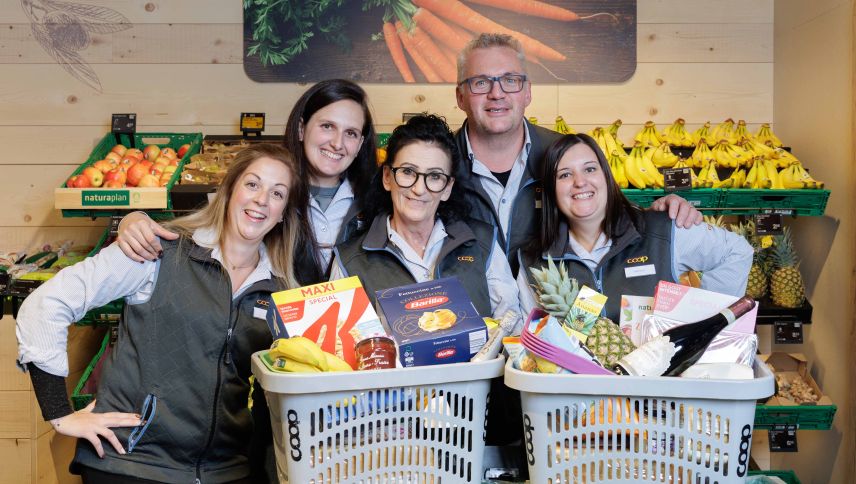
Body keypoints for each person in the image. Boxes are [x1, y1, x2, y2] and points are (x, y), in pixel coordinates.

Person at [16, 144, 304, 483]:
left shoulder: (281, 292)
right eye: (252, 184)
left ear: (283, 212)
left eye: (277, 193)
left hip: (222, 470)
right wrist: (59, 414)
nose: (262, 200)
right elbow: (46, 304)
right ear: (229, 190)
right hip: (132, 462)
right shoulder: (158, 249)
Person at [452, 33, 703, 275]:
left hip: (558, 304)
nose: (497, 94)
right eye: (480, 82)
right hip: (464, 304)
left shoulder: (565, 155)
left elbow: (614, 218)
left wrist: (661, 211)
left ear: (527, 92)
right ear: (460, 97)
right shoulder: (440, 165)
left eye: (510, 80)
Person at [117, 79, 378, 280]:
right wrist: (133, 220)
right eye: (327, 126)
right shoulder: (266, 191)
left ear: (360, 143)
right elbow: (206, 226)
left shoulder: (376, 202)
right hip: (264, 326)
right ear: (301, 129)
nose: (337, 143)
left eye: (351, 133)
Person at [518, 133, 753, 322]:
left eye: (590, 169)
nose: (580, 182)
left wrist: (704, 325)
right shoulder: (534, 263)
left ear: (606, 177)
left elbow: (735, 251)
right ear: (551, 191)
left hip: (662, 369)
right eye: (564, 175)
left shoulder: (662, 230)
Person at [331, 114, 519, 321]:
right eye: (408, 172)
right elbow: (341, 337)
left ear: (447, 187)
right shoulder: (349, 261)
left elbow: (511, 323)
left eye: (435, 176)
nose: (419, 189)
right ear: (387, 177)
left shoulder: (483, 244)